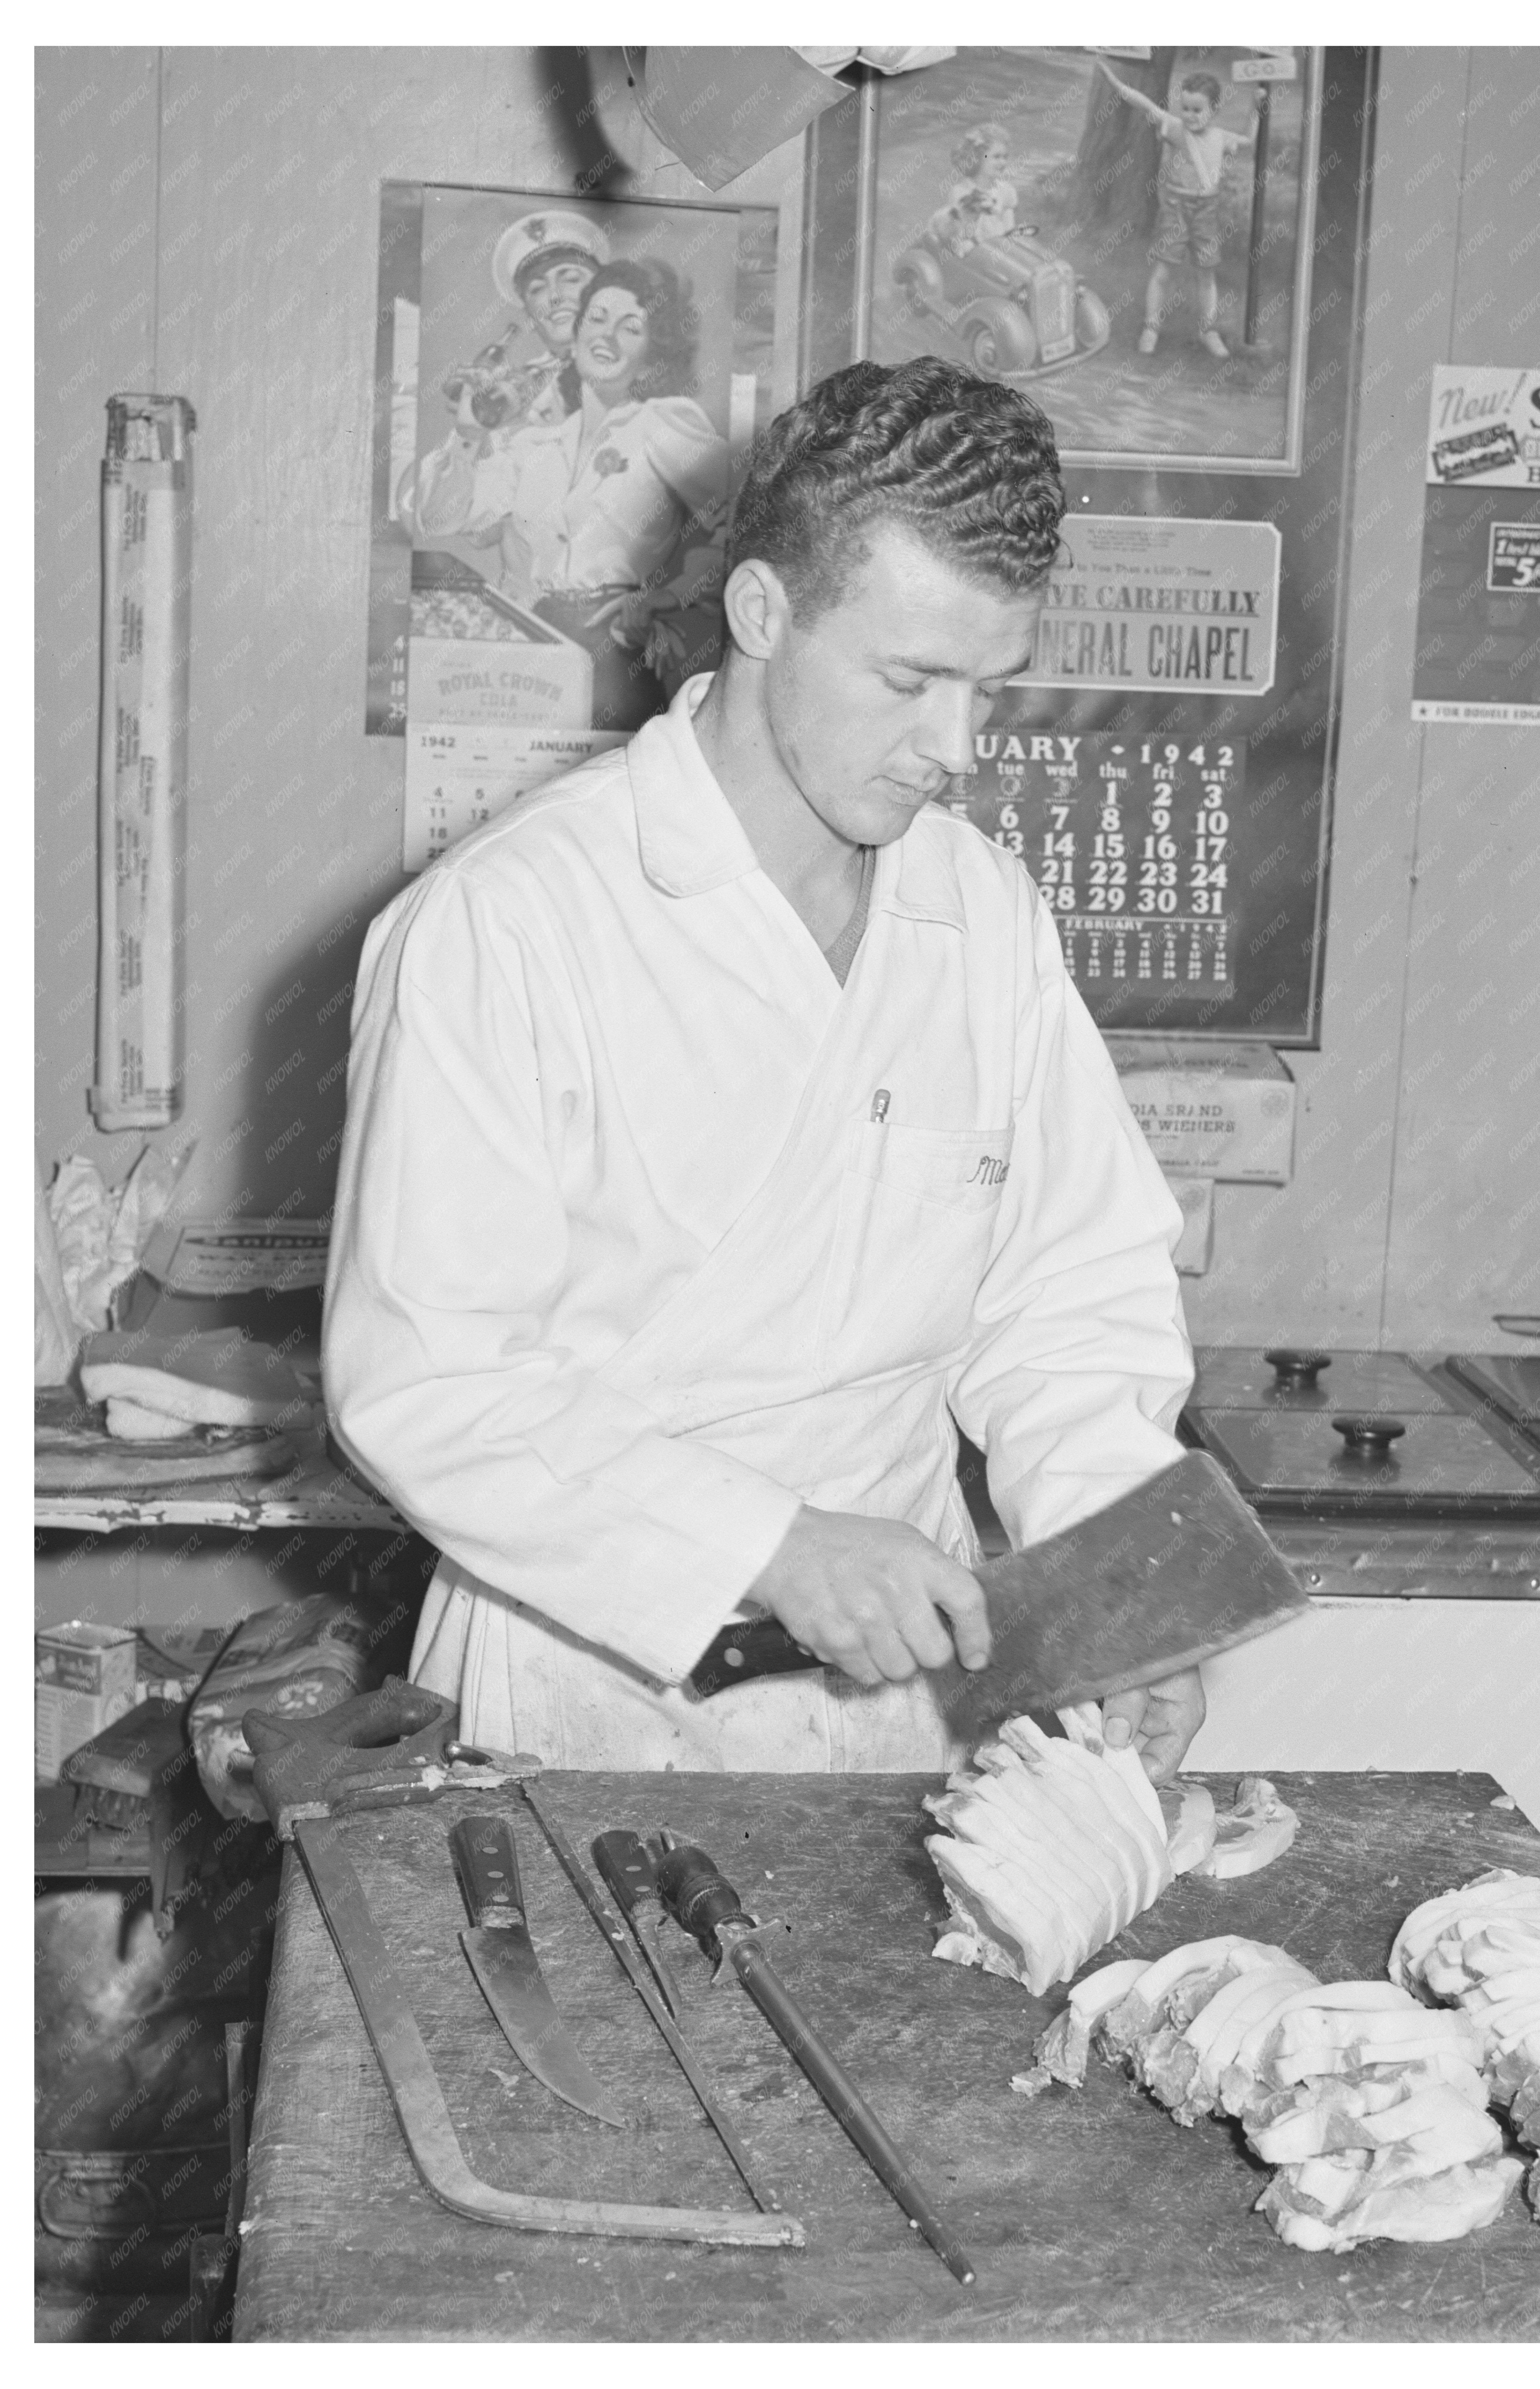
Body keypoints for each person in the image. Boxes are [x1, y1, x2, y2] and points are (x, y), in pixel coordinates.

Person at [325, 355, 1207, 1783]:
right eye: (909, 680)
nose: (956, 749)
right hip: (583, 1702)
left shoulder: (983, 914)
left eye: (990, 688)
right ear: (758, 611)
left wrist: (1129, 1598)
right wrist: (769, 1546)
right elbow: (431, 1385)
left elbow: (1068, 1304)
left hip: (910, 1704)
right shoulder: (510, 922)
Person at [405, 261, 731, 727]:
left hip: (616, 659)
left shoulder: (659, 423)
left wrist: (671, 595)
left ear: (651, 357)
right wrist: (467, 436)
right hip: (529, 650)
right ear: (575, 338)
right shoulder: (531, 446)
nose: (607, 336)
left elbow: (750, 516)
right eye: (597, 319)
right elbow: (438, 520)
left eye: (631, 328)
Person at [1099, 60, 1251, 357]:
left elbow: (1249, 139)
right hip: (1176, 208)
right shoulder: (1175, 128)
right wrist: (1114, 82)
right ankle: (1151, 327)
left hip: (1206, 211)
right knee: (1164, 270)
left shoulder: (1221, 137)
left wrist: (1258, 106)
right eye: (1186, 109)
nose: (1190, 116)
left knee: (1206, 273)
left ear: (1214, 109)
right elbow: (1142, 103)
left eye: (1198, 110)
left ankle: (1208, 330)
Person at [489, 208, 609, 426]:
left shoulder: (641, 366)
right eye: (537, 289)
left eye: (571, 279)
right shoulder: (516, 389)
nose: (555, 298)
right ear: (530, 317)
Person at [929, 122, 1023, 255]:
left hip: (999, 247)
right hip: (972, 249)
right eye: (996, 157)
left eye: (1005, 157)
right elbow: (960, 230)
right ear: (978, 158)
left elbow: (1009, 229)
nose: (1002, 163)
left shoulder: (1007, 190)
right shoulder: (961, 191)